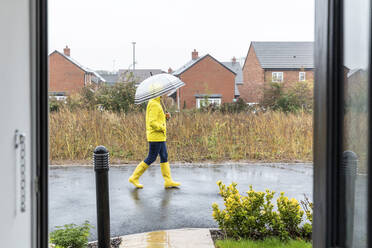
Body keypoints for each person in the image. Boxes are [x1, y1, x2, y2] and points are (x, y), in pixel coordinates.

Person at [128, 95, 181, 189]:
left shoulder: (156, 103)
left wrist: (166, 117)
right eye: (163, 93)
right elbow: (152, 122)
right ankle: (134, 177)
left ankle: (168, 181)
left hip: (160, 136)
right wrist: (162, 127)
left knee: (164, 156)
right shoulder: (154, 104)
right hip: (155, 136)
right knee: (151, 157)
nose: (164, 94)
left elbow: (157, 120)